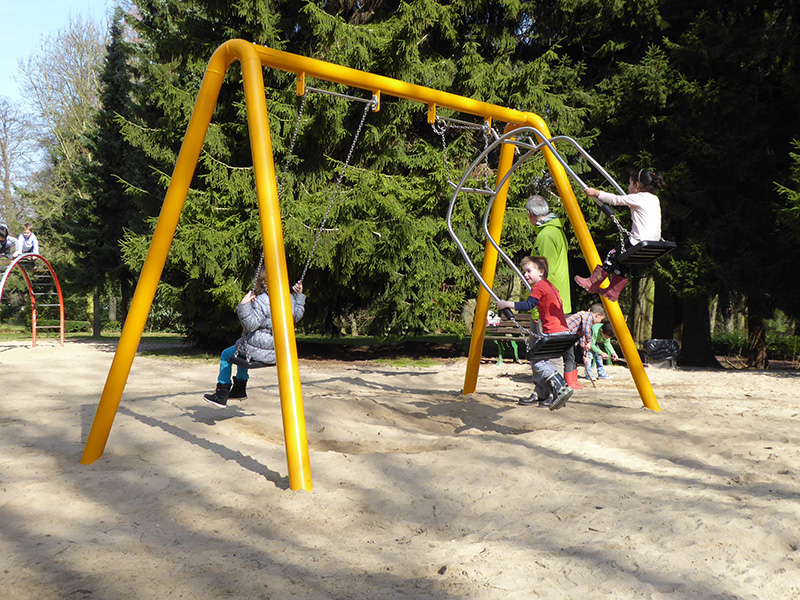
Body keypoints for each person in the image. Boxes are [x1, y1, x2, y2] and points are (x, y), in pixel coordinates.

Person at [204, 269, 306, 408]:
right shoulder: (288, 298)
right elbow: (297, 315)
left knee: (226, 354)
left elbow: (251, 325)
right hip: (276, 352)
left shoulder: (263, 300)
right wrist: (299, 296)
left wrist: (244, 305)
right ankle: (239, 389)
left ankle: (221, 394)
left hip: (258, 351)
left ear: (258, 285)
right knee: (242, 352)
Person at [496, 256, 573, 410]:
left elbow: (528, 305)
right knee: (542, 359)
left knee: (537, 360)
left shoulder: (539, 286)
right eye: (524, 272)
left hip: (552, 331)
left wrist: (506, 304)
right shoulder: (550, 286)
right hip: (562, 330)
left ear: (541, 272)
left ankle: (559, 388)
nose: (525, 275)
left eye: (529, 271)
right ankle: (548, 392)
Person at [575, 168, 664, 301]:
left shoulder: (638, 197)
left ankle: (592, 283)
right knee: (622, 259)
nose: (628, 187)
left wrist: (596, 193)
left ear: (637, 186)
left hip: (638, 241)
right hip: (653, 242)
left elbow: (615, 200)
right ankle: (613, 291)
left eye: (630, 184)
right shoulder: (654, 199)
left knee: (612, 255)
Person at [526, 195, 571, 314]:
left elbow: (544, 273)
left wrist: (536, 310)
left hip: (548, 307)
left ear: (529, 214)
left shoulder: (545, 236)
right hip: (558, 302)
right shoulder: (556, 231)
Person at [565, 303, 607, 383]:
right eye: (600, 320)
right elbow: (586, 329)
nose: (599, 322)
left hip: (570, 339)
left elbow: (582, 337)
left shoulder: (586, 321)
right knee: (570, 358)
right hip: (565, 336)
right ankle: (569, 382)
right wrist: (590, 341)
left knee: (574, 358)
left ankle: (574, 380)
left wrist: (585, 354)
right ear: (597, 315)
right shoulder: (587, 316)